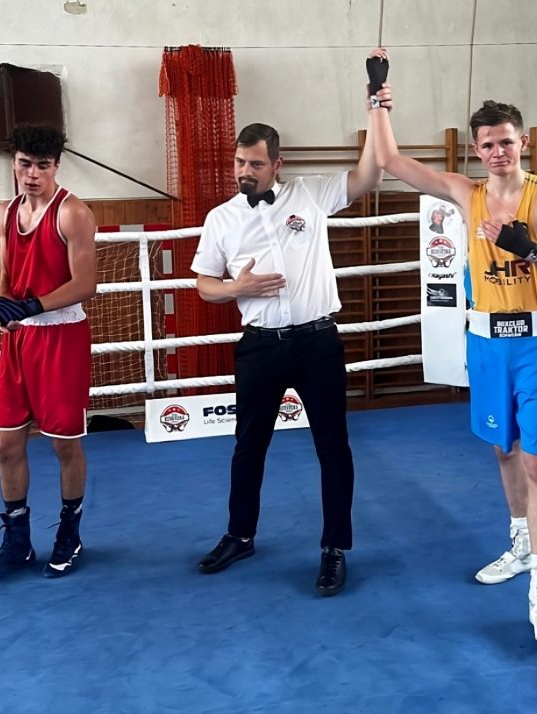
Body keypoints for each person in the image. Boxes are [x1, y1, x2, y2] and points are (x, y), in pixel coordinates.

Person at [367, 49, 537, 643]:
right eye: (488, 144)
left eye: (507, 141)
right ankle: (519, 544)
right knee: (503, 448)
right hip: (487, 346)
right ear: (476, 150)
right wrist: (378, 95)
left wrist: (531, 251)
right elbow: (389, 159)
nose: (499, 151)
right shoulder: (463, 193)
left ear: (524, 143)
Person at [190, 112, 381, 597]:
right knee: (248, 446)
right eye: (239, 162)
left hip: (318, 341)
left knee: (332, 446)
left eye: (255, 163)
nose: (244, 172)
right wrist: (238, 286)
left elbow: (369, 176)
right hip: (260, 345)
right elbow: (204, 285)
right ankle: (240, 535)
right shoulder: (222, 219)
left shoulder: (311, 194)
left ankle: (334, 547)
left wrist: (377, 111)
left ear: (278, 164)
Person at [0, 125, 97, 580]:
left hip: (61, 337)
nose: (32, 174)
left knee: (64, 443)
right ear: (14, 163)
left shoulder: (73, 213)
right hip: (20, 338)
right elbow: (7, 275)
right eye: (25, 164)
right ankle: (19, 542)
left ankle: (70, 531)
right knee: (6, 443)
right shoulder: (4, 213)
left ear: (55, 167)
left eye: (42, 166)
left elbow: (86, 284)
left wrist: (32, 306)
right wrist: (5, 309)